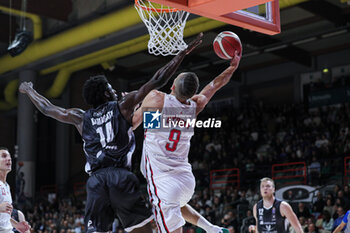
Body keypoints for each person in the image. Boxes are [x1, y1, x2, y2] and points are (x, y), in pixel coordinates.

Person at [18, 33, 203, 233]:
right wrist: (181, 55)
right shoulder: (122, 106)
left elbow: (48, 109)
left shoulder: (81, 117)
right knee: (143, 229)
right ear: (106, 93)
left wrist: (30, 91)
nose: (114, 90)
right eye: (111, 88)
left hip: (96, 181)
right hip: (121, 176)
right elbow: (158, 79)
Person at [132, 50, 241, 233]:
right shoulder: (195, 105)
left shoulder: (157, 99)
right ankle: (212, 228)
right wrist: (232, 67)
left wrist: (136, 105)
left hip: (163, 180)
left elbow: (134, 123)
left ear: (173, 86)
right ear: (191, 93)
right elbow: (215, 84)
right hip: (185, 180)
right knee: (176, 205)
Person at [0, 147, 31, 233]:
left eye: (9, 157)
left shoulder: (6, 186)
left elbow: (4, 217)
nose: (9, 159)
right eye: (4, 156)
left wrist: (16, 225)